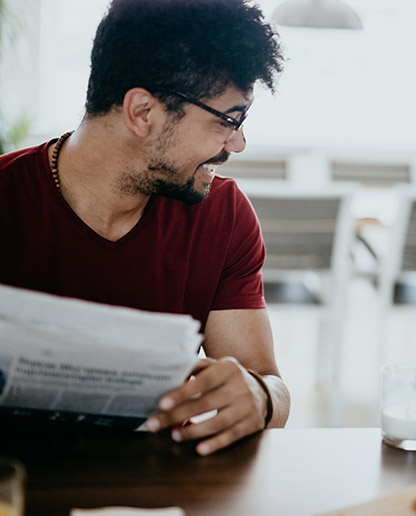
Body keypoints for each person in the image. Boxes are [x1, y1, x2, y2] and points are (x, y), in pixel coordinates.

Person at [0, 0, 290, 455]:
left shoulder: (224, 215)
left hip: (163, 486)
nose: (238, 143)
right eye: (227, 120)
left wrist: (261, 397)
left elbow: (266, 379)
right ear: (142, 112)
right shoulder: (8, 198)